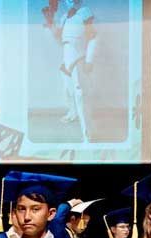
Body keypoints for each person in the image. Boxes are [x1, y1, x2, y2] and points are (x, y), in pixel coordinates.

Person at [48, 0, 98, 141]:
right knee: (67, 90)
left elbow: (93, 36)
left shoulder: (84, 12)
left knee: (80, 95)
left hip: (78, 57)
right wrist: (50, 21)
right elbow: (59, 37)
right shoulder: (64, 17)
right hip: (67, 58)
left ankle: (87, 133)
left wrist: (89, 60)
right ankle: (72, 113)